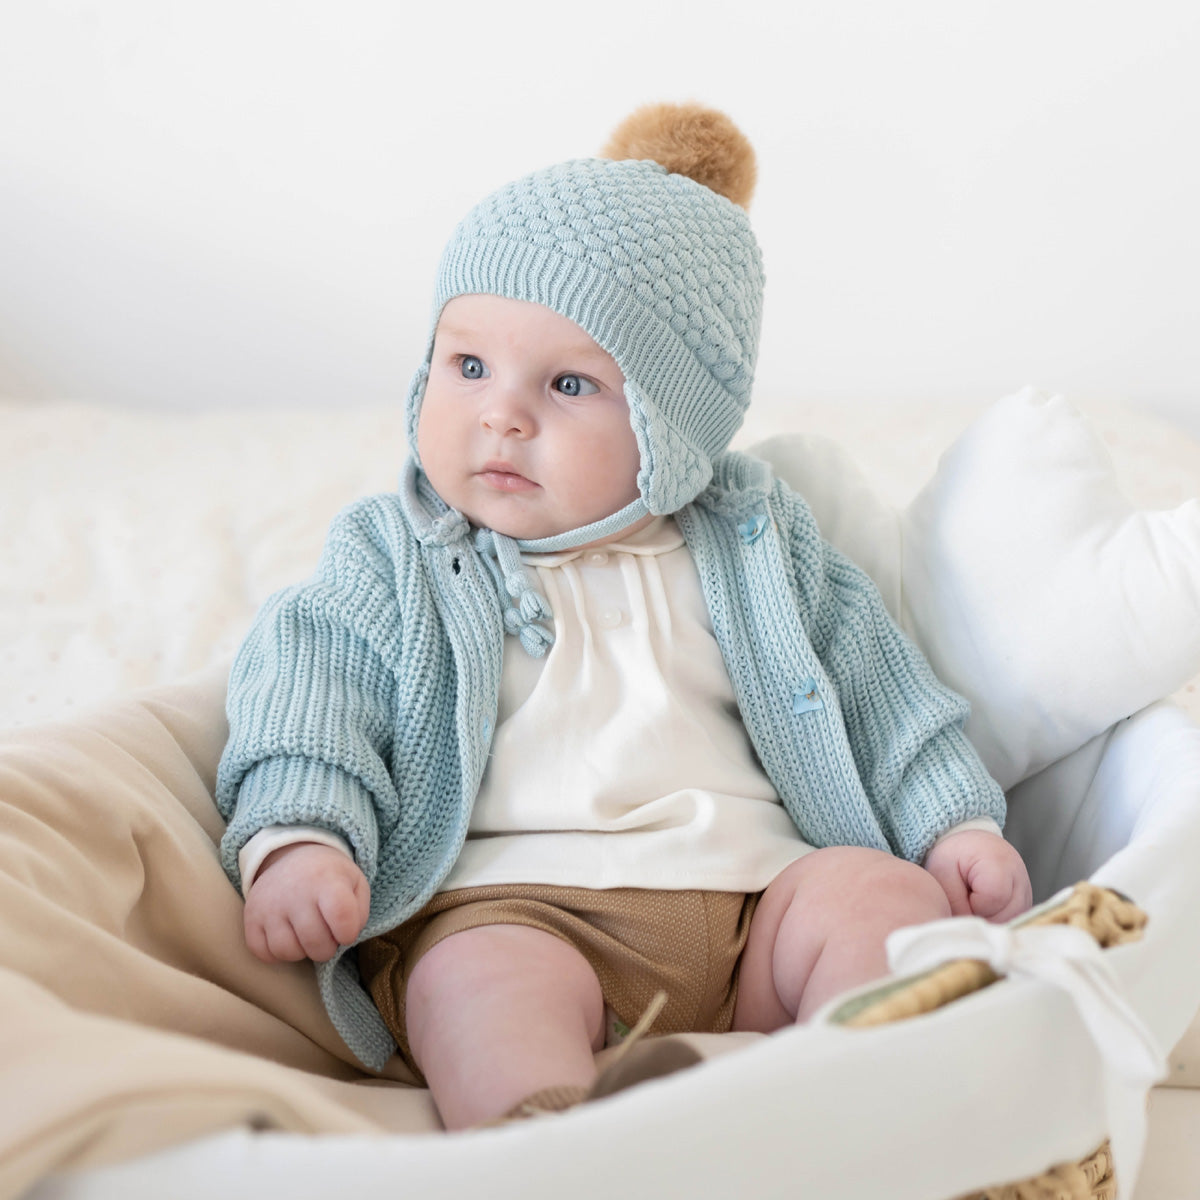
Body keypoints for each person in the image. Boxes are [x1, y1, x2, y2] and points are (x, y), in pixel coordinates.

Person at [216, 103, 1032, 1131]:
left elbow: (876, 684)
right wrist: (300, 837)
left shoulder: (753, 539)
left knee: (879, 901)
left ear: (676, 424)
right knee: (471, 986)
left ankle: (866, 1102)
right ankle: (554, 1135)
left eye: (568, 383)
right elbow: (310, 687)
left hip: (757, 910)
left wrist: (953, 821)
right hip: (517, 904)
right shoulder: (398, 551)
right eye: (468, 367)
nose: (501, 414)